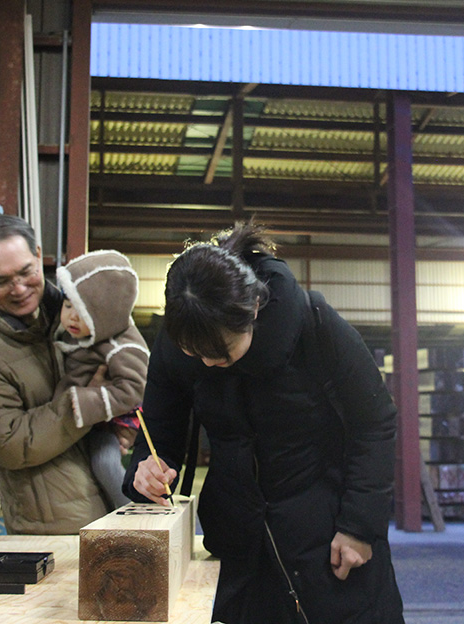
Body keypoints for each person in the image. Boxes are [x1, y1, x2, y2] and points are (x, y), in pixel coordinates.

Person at [125, 222, 405, 624]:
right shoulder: (178, 345)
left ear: (253, 308)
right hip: (239, 542)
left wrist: (360, 525)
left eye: (221, 352)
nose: (207, 363)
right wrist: (146, 469)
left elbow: (375, 422)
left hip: (328, 532)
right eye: (194, 352)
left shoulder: (315, 324)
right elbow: (158, 431)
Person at [0, 214, 121, 533]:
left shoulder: (73, 312)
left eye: (26, 272)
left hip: (115, 501)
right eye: (2, 281)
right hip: (57, 525)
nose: (20, 289)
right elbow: (10, 444)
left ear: (37, 254)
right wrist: (88, 401)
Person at [56, 249, 149, 510]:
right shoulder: (77, 334)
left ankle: (134, 515)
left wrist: (90, 400)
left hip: (113, 423)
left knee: (104, 463)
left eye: (83, 312)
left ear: (106, 314)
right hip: (88, 419)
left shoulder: (124, 347)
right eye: (67, 305)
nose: (72, 317)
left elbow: (135, 388)